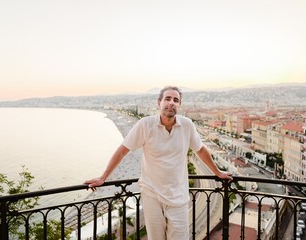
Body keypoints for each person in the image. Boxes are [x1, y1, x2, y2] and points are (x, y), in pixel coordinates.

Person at [85, 86, 232, 240]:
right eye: (167, 99)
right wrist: (103, 177)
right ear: (159, 103)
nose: (171, 103)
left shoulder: (187, 125)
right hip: (152, 194)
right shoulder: (145, 124)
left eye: (176, 100)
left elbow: (201, 150)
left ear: (179, 105)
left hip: (179, 196)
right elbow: (122, 150)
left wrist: (217, 173)